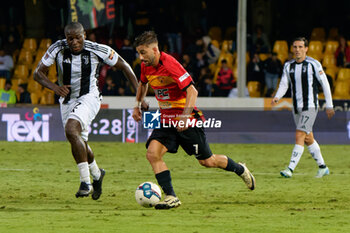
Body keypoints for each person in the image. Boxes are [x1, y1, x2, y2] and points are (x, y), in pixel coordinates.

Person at [132, 31, 255, 209]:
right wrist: (137, 104)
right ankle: (171, 196)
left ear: (155, 49)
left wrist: (184, 116)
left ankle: (240, 169)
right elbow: (143, 84)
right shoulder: (146, 66)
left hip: (187, 121)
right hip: (166, 120)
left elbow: (192, 91)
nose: (141, 57)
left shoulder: (171, 64)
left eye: (143, 52)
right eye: (139, 53)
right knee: (152, 154)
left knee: (208, 161)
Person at [34, 22, 148, 199]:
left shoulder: (97, 49)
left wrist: (140, 98)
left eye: (78, 37)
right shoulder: (57, 48)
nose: (74, 42)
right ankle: (97, 174)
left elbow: (125, 66)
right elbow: (38, 73)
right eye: (70, 38)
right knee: (78, 140)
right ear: (66, 38)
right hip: (66, 100)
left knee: (71, 130)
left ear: (84, 35)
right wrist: (55, 88)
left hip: (90, 97)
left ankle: (85, 182)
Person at [272, 37, 335, 178]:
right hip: (296, 107)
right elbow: (284, 83)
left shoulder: (314, 64)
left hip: (310, 106)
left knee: (299, 135)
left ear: (306, 48)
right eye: (295, 47)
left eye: (300, 47)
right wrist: (277, 96)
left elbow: (324, 84)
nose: (297, 50)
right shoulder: (289, 66)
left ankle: (290, 169)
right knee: (308, 138)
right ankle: (323, 167)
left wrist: (329, 105)